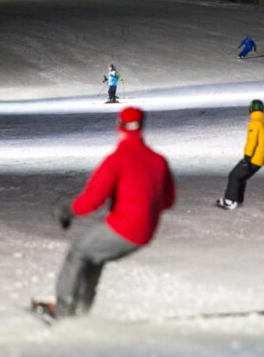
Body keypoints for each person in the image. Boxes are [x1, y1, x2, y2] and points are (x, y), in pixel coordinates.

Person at [33, 107, 176, 320]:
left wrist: (67, 210)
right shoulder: (158, 161)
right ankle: (81, 311)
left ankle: (62, 313)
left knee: (78, 253)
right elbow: (168, 200)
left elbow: (93, 200)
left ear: (119, 126)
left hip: (124, 226)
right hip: (145, 232)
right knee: (93, 258)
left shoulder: (117, 159)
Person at [216, 99, 264, 210]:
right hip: (260, 159)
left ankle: (230, 201)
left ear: (250, 109)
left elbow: (251, 142)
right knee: (240, 178)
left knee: (234, 176)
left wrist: (247, 157)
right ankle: (238, 201)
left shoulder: (254, 123)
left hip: (252, 158)